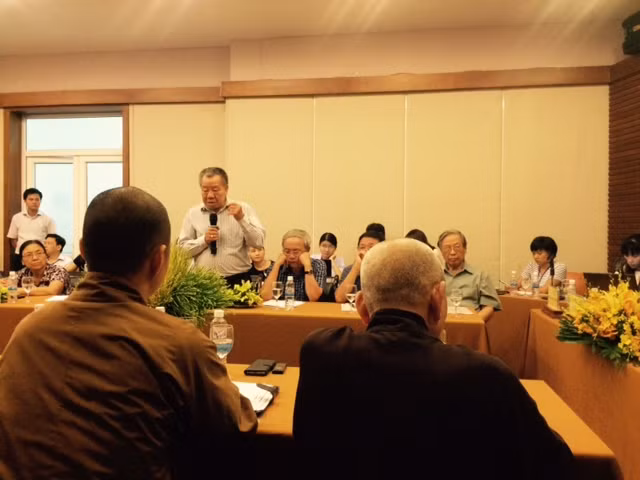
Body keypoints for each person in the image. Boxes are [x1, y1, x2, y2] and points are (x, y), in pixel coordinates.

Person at [0, 187, 257, 478]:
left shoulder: (29, 330)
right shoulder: (178, 342)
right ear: (159, 260)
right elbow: (234, 428)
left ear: (83, 249)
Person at [293, 239, 575, 480]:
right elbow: (554, 462)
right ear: (439, 300)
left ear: (362, 306)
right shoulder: (484, 374)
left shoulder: (321, 351)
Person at [178, 167, 265, 287]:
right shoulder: (193, 213)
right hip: (203, 283)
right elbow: (182, 251)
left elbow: (258, 242)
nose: (210, 195)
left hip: (238, 281)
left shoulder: (244, 209)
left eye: (215, 190)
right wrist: (204, 240)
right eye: (205, 190)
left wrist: (241, 219)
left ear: (226, 189)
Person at [438, 229, 501, 321]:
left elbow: (489, 306)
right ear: (441, 252)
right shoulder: (435, 275)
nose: (452, 252)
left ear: (465, 249)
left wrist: (473, 322)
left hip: (471, 323)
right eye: (447, 248)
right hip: (441, 324)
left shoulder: (480, 275)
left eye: (457, 247)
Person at [261, 229, 326, 302]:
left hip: (307, 309)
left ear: (307, 251)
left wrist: (307, 266)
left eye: (296, 252)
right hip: (283, 309)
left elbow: (314, 297)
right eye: (287, 251)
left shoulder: (318, 265)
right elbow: (265, 297)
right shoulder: (277, 265)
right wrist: (276, 266)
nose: (291, 256)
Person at [6, 188, 56, 272]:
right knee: (19, 278)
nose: (34, 202)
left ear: (40, 201)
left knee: (40, 277)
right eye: (31, 199)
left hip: (40, 256)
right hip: (20, 255)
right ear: (25, 201)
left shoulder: (48, 219)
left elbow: (52, 240)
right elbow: (13, 239)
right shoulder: (16, 217)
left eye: (37, 199)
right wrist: (24, 250)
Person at [334, 230, 384, 303]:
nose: (366, 251)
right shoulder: (349, 269)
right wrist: (355, 269)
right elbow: (339, 298)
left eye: (371, 247)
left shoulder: (387, 270)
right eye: (362, 247)